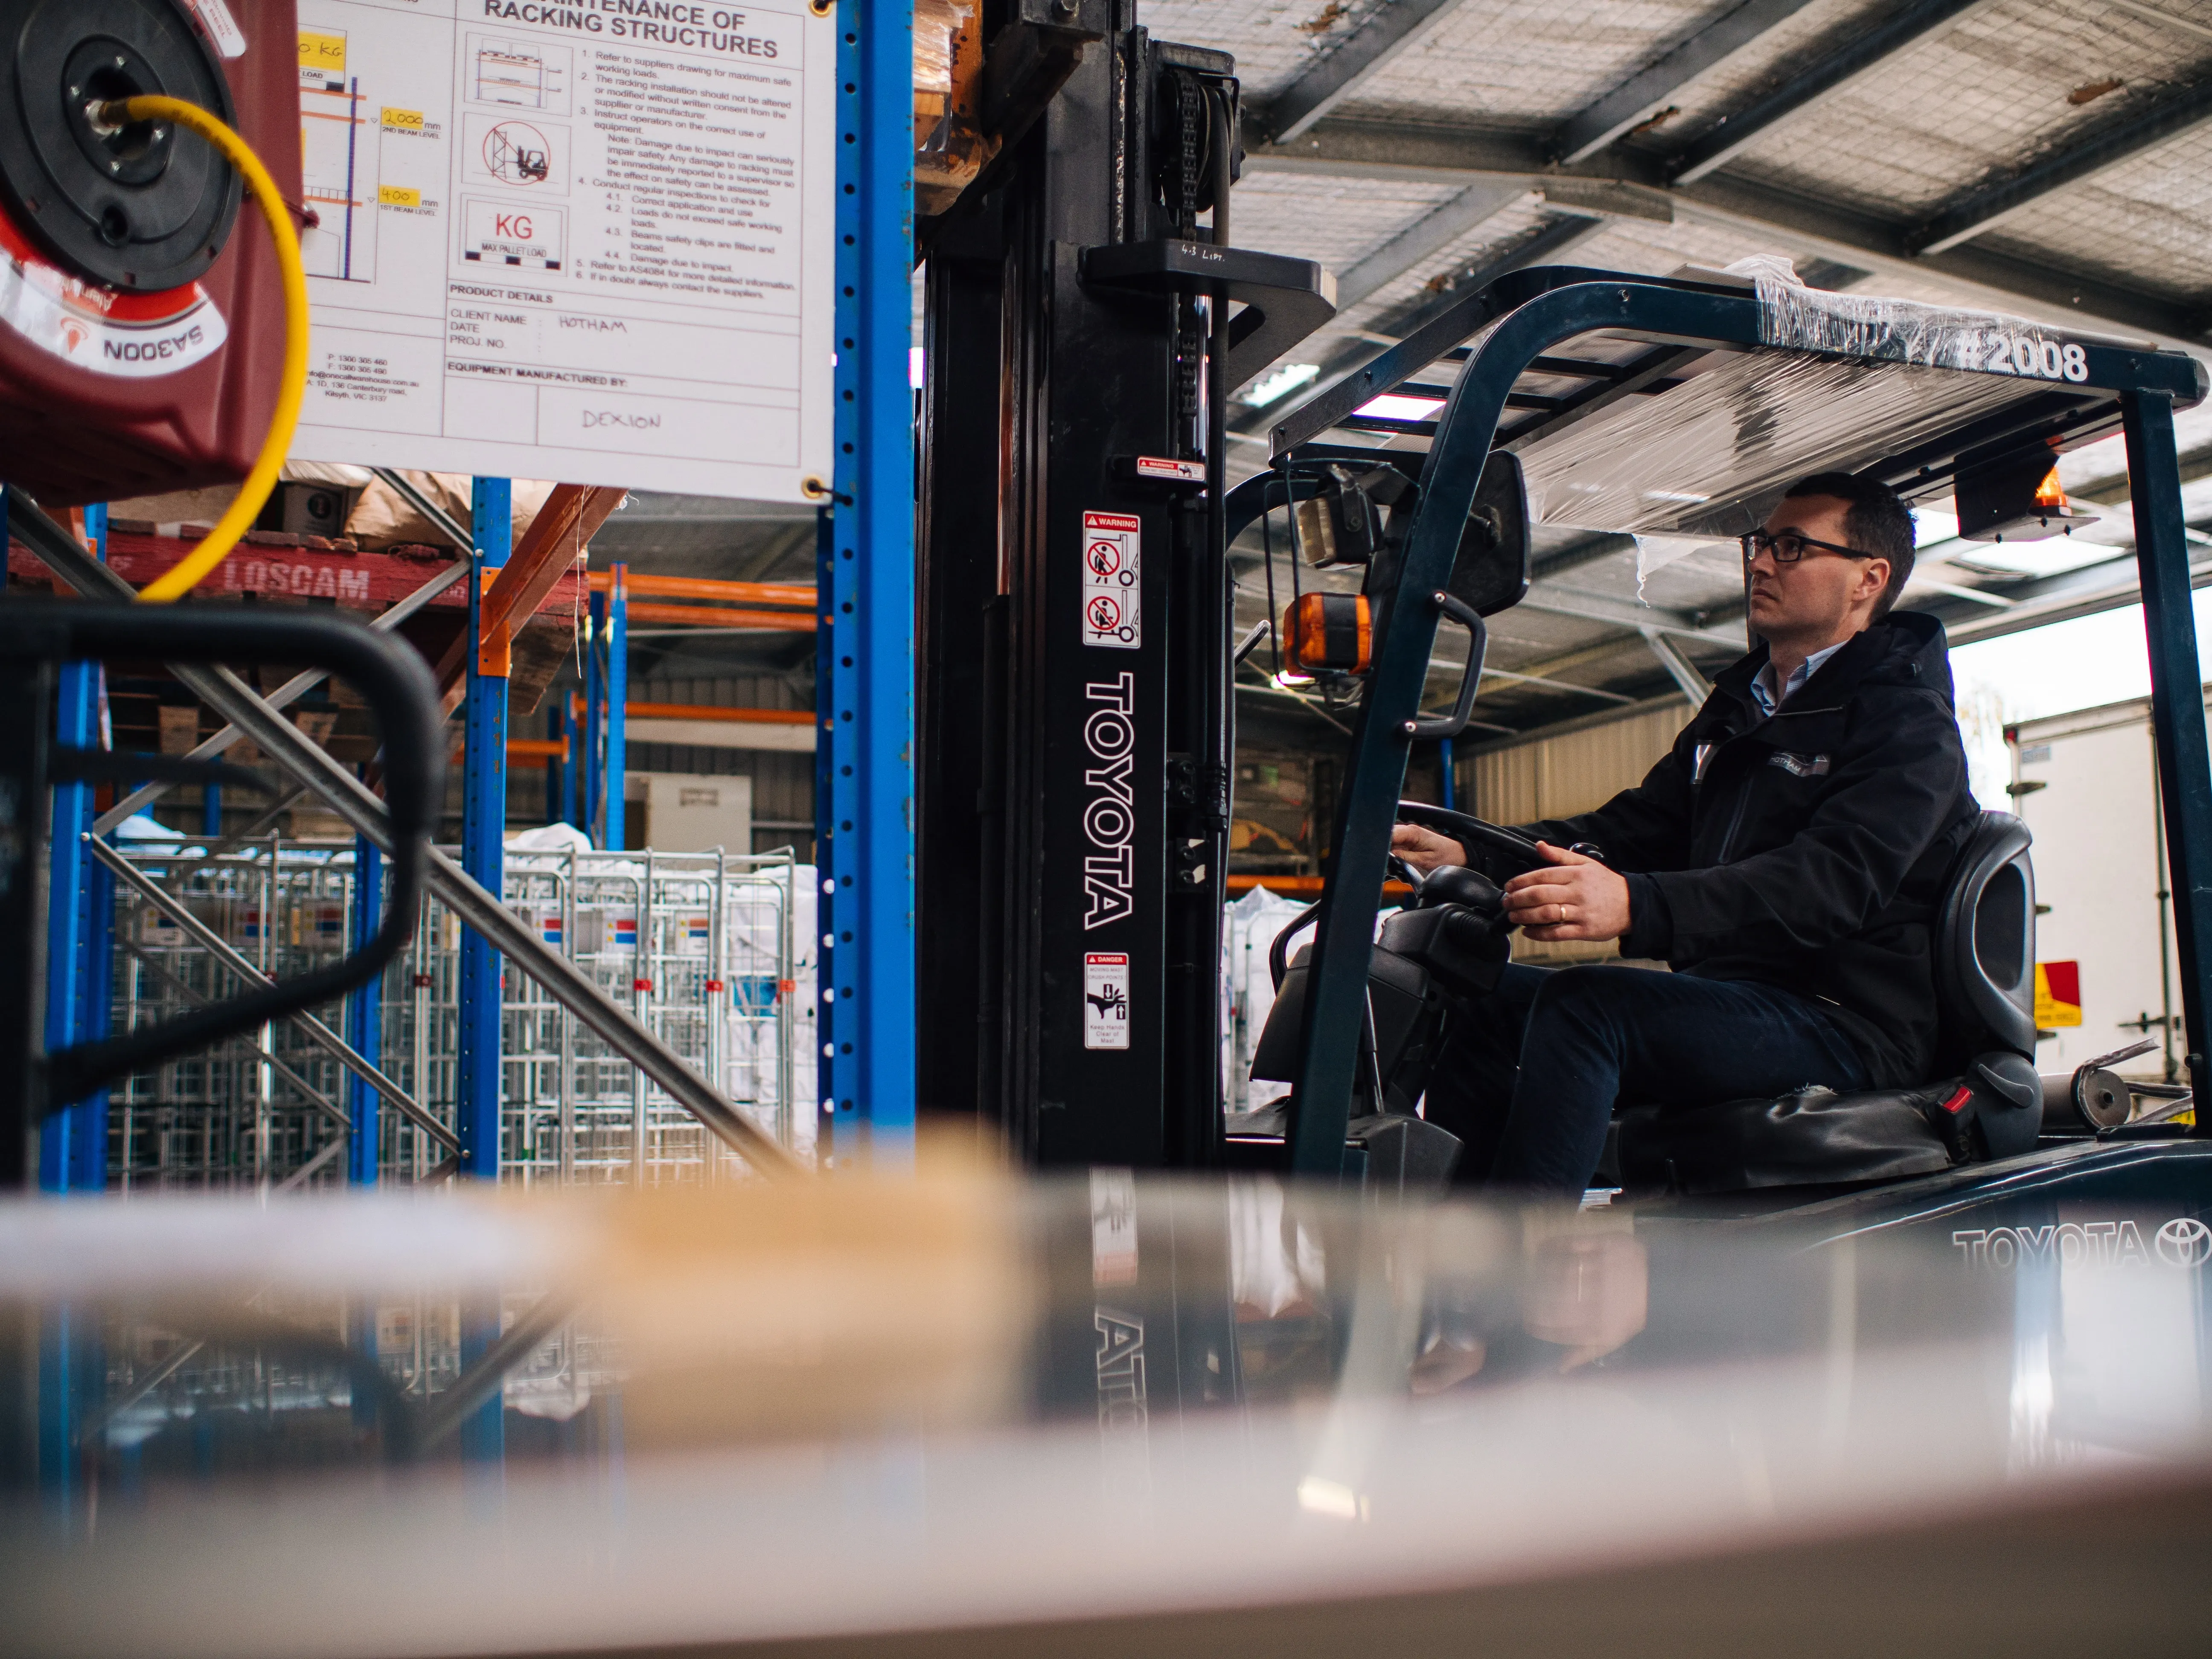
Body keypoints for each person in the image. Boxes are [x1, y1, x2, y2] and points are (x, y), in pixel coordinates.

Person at [1391, 472, 1977, 1198]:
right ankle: (1461, 1252)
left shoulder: (1908, 724)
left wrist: (1638, 907)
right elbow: (1629, 832)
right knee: (1474, 995)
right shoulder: (1741, 711)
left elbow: (1830, 882)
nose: (1760, 562)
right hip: (1734, 1000)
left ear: (1869, 579)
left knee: (1588, 1007)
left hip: (1846, 1021)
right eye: (1761, 543)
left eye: (1792, 547)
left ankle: (1526, 1265)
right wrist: (1472, 849)